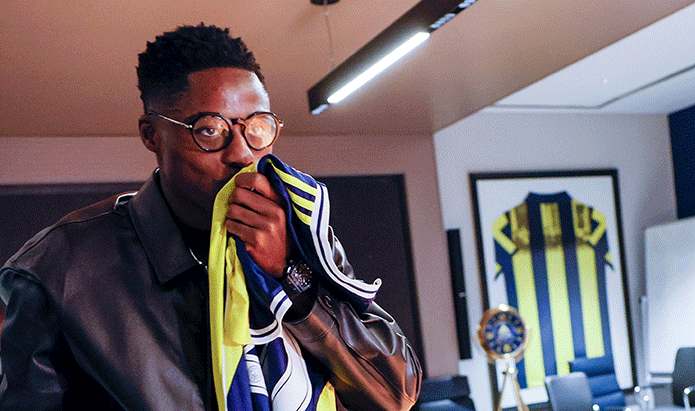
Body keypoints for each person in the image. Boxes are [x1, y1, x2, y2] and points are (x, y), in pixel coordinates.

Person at [0, 24, 421, 410]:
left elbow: (395, 394)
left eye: (257, 126)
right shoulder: (56, 268)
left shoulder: (300, 235)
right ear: (151, 134)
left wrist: (289, 274)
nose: (242, 153)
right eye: (209, 129)